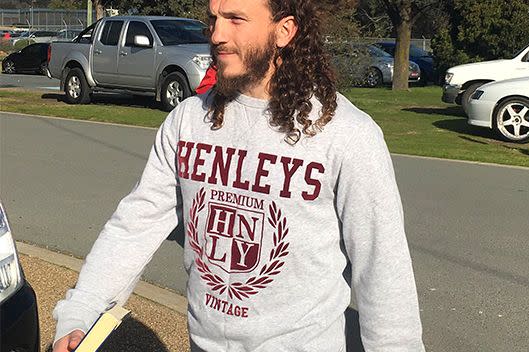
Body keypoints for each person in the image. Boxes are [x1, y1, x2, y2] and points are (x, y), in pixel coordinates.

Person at [52, 0, 425, 351]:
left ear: (284, 30)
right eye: (214, 19)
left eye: (235, 19)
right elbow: (134, 226)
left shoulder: (346, 134)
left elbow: (382, 270)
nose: (216, 34)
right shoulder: (187, 121)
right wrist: (80, 313)